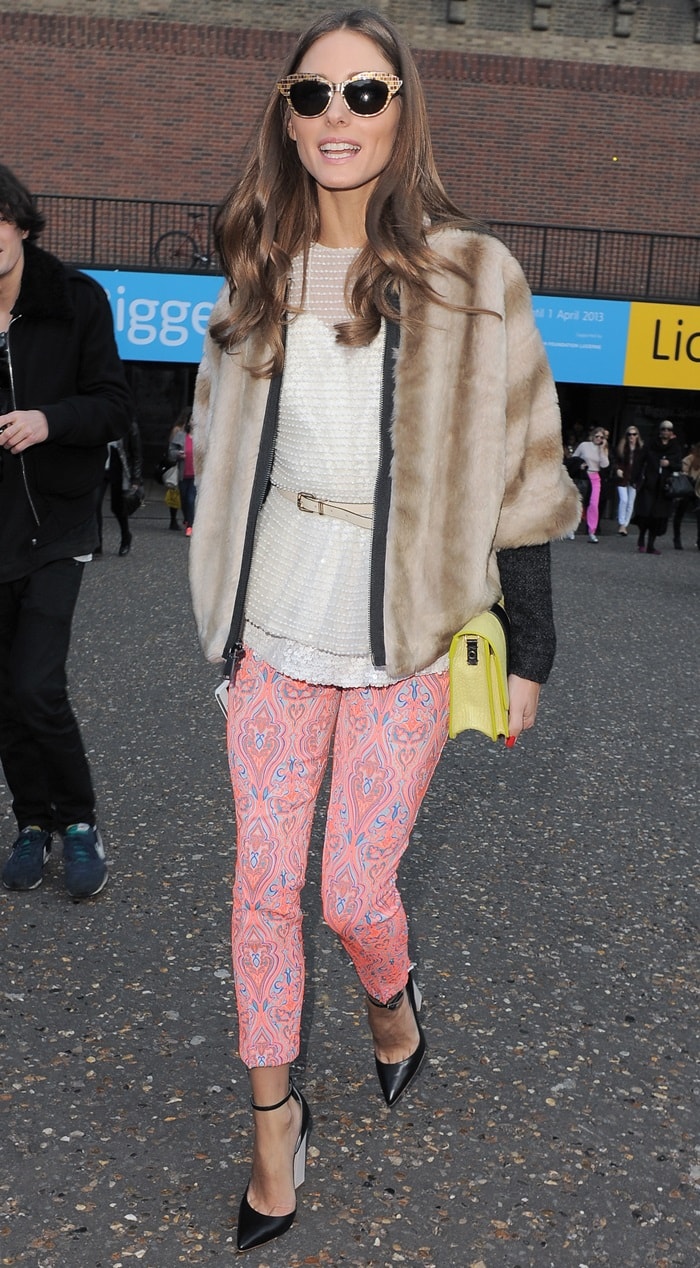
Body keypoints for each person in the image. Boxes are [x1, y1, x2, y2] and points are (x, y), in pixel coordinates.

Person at [188, 9, 579, 1254]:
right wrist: (215, 604)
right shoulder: (256, 266)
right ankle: (273, 1126)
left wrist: (529, 650)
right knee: (261, 886)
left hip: (412, 625)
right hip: (274, 625)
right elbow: (224, 457)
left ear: (405, 109)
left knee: (354, 887)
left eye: (365, 93)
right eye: (313, 96)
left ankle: (391, 997)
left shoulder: (474, 273)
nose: (337, 119)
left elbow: (523, 470)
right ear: (285, 117)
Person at [0, 164, 131, 898]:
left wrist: (50, 420)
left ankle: (77, 824)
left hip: (55, 522)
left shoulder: (76, 300)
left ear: (20, 222)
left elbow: (111, 405)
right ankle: (31, 823)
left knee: (36, 685)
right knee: (3, 696)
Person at [633, 419, 684, 554]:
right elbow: (639, 460)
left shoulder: (675, 447)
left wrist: (669, 463)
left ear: (672, 432)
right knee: (646, 513)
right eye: (663, 429)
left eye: (668, 429)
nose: (666, 432)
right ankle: (641, 538)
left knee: (658, 516)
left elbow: (679, 464)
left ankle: (651, 544)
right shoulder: (651, 444)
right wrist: (635, 478)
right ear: (659, 431)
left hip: (665, 488)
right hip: (649, 484)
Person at [96, 416, 143, 556]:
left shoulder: (129, 424)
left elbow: (137, 453)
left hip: (120, 467)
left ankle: (126, 536)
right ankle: (97, 544)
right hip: (100, 466)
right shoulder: (99, 420)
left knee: (118, 507)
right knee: (95, 504)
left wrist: (136, 479)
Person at [573, 425, 609, 542]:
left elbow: (605, 465)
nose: (599, 439)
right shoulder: (584, 445)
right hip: (583, 476)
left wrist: (602, 450)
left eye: (601, 437)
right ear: (592, 436)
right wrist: (580, 465)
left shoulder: (603, 449)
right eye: (597, 436)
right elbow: (574, 458)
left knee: (594, 504)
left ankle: (592, 531)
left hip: (595, 477)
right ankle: (571, 528)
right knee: (578, 502)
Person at [614, 425, 644, 535]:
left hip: (634, 478)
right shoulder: (622, 448)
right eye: (629, 434)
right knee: (624, 500)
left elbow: (643, 464)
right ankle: (621, 523)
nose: (632, 436)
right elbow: (616, 460)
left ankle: (624, 525)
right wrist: (617, 469)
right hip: (622, 477)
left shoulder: (640, 449)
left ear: (637, 436)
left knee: (630, 502)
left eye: (634, 434)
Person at [672, 441, 700, 550]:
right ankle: (677, 538)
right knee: (679, 514)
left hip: (697, 491)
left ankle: (699, 540)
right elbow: (683, 471)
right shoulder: (690, 458)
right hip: (687, 489)